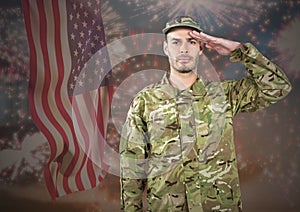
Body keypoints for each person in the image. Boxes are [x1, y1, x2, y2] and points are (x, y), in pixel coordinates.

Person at [119, 16, 292, 212]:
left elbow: (278, 87)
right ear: (165, 48)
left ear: (201, 48)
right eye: (176, 42)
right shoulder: (144, 101)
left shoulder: (224, 95)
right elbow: (131, 167)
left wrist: (239, 51)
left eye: (191, 41)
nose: (183, 49)